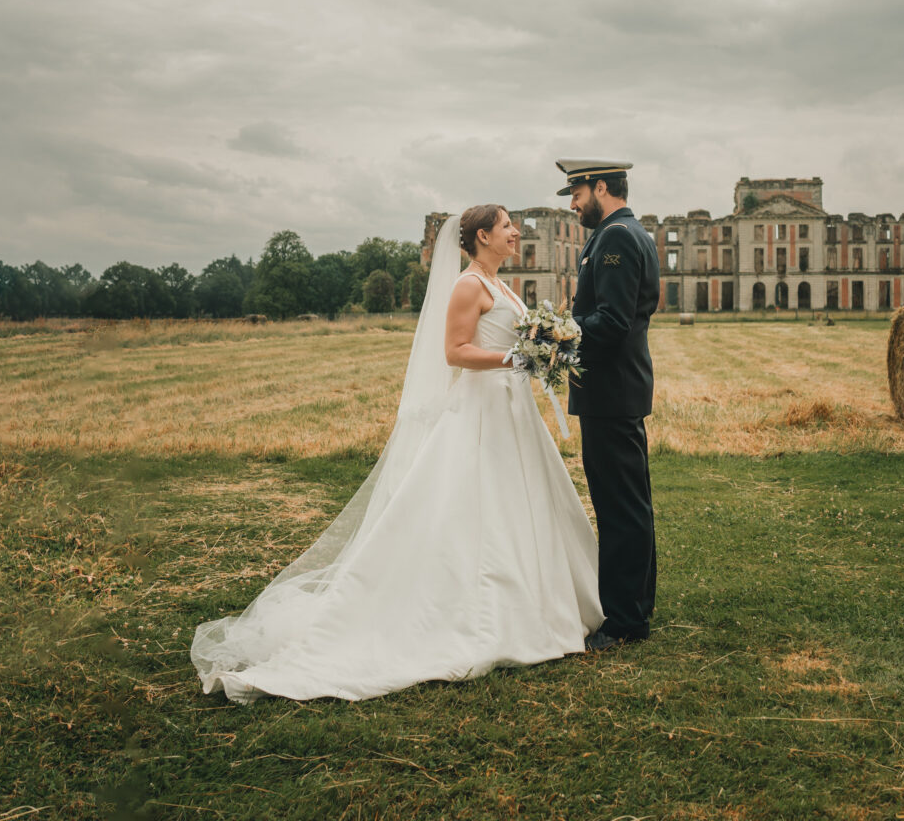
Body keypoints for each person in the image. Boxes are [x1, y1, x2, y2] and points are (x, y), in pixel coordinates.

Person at [191, 205, 603, 703]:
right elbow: (454, 352)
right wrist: (519, 356)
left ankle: (540, 603)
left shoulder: (503, 286)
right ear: (481, 236)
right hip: (482, 410)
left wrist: (543, 347)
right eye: (506, 226)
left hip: (511, 409)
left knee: (526, 502)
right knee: (475, 505)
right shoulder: (469, 285)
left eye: (515, 225)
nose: (516, 232)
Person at [556, 159, 660, 651]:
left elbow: (614, 321)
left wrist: (558, 334)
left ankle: (624, 623)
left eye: (576, 193)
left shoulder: (616, 237)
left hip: (611, 392)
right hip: (617, 391)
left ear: (601, 187)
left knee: (620, 509)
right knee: (627, 504)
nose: (573, 204)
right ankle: (634, 608)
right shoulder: (628, 232)